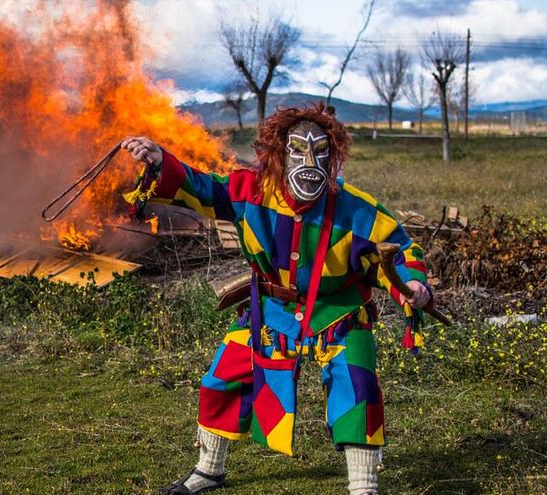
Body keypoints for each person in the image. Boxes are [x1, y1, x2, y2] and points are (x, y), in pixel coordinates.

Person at [120, 103, 433, 495]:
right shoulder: (250, 191)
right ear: (279, 154)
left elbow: (402, 250)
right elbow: (201, 187)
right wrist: (160, 159)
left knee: (358, 387)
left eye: (320, 152)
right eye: (298, 150)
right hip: (271, 312)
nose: (310, 163)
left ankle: (363, 486)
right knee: (222, 378)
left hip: (340, 313)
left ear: (333, 157)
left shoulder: (358, 210)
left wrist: (413, 285)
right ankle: (208, 470)